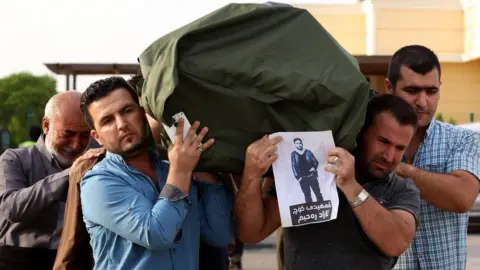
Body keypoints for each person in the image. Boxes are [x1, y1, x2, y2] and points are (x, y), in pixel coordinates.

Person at [235, 94, 421, 269]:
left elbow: (395, 243)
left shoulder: (403, 188)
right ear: (361, 132)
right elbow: (251, 233)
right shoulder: (318, 172)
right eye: (383, 141)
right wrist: (251, 176)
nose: (389, 156)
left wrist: (351, 187)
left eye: (399, 148)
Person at [79, 76, 233, 270]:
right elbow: (156, 234)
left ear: (143, 114)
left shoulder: (172, 169)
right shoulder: (97, 183)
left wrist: (205, 169)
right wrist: (182, 170)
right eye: (108, 121)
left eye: (127, 111)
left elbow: (221, 235)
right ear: (97, 137)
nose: (121, 124)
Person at [386, 45, 480, 270]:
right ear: (390, 88)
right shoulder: (368, 142)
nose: (422, 102)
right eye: (411, 90)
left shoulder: (463, 140)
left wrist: (396, 167)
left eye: (431, 91)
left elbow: (462, 198)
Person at [0, 91, 91, 270]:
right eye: (68, 134)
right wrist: (70, 175)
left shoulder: (94, 163)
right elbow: (10, 208)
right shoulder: (14, 159)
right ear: (46, 125)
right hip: (18, 260)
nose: (76, 144)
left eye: (84, 135)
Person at [291, 138, 323, 203]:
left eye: (300, 143)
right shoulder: (293, 154)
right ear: (295, 145)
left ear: (302, 143)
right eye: (297, 143)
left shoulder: (308, 152)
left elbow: (316, 162)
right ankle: (310, 210)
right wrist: (298, 177)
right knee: (307, 195)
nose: (299, 145)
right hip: (302, 178)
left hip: (312, 176)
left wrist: (314, 167)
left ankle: (322, 208)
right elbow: (294, 166)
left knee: (318, 193)